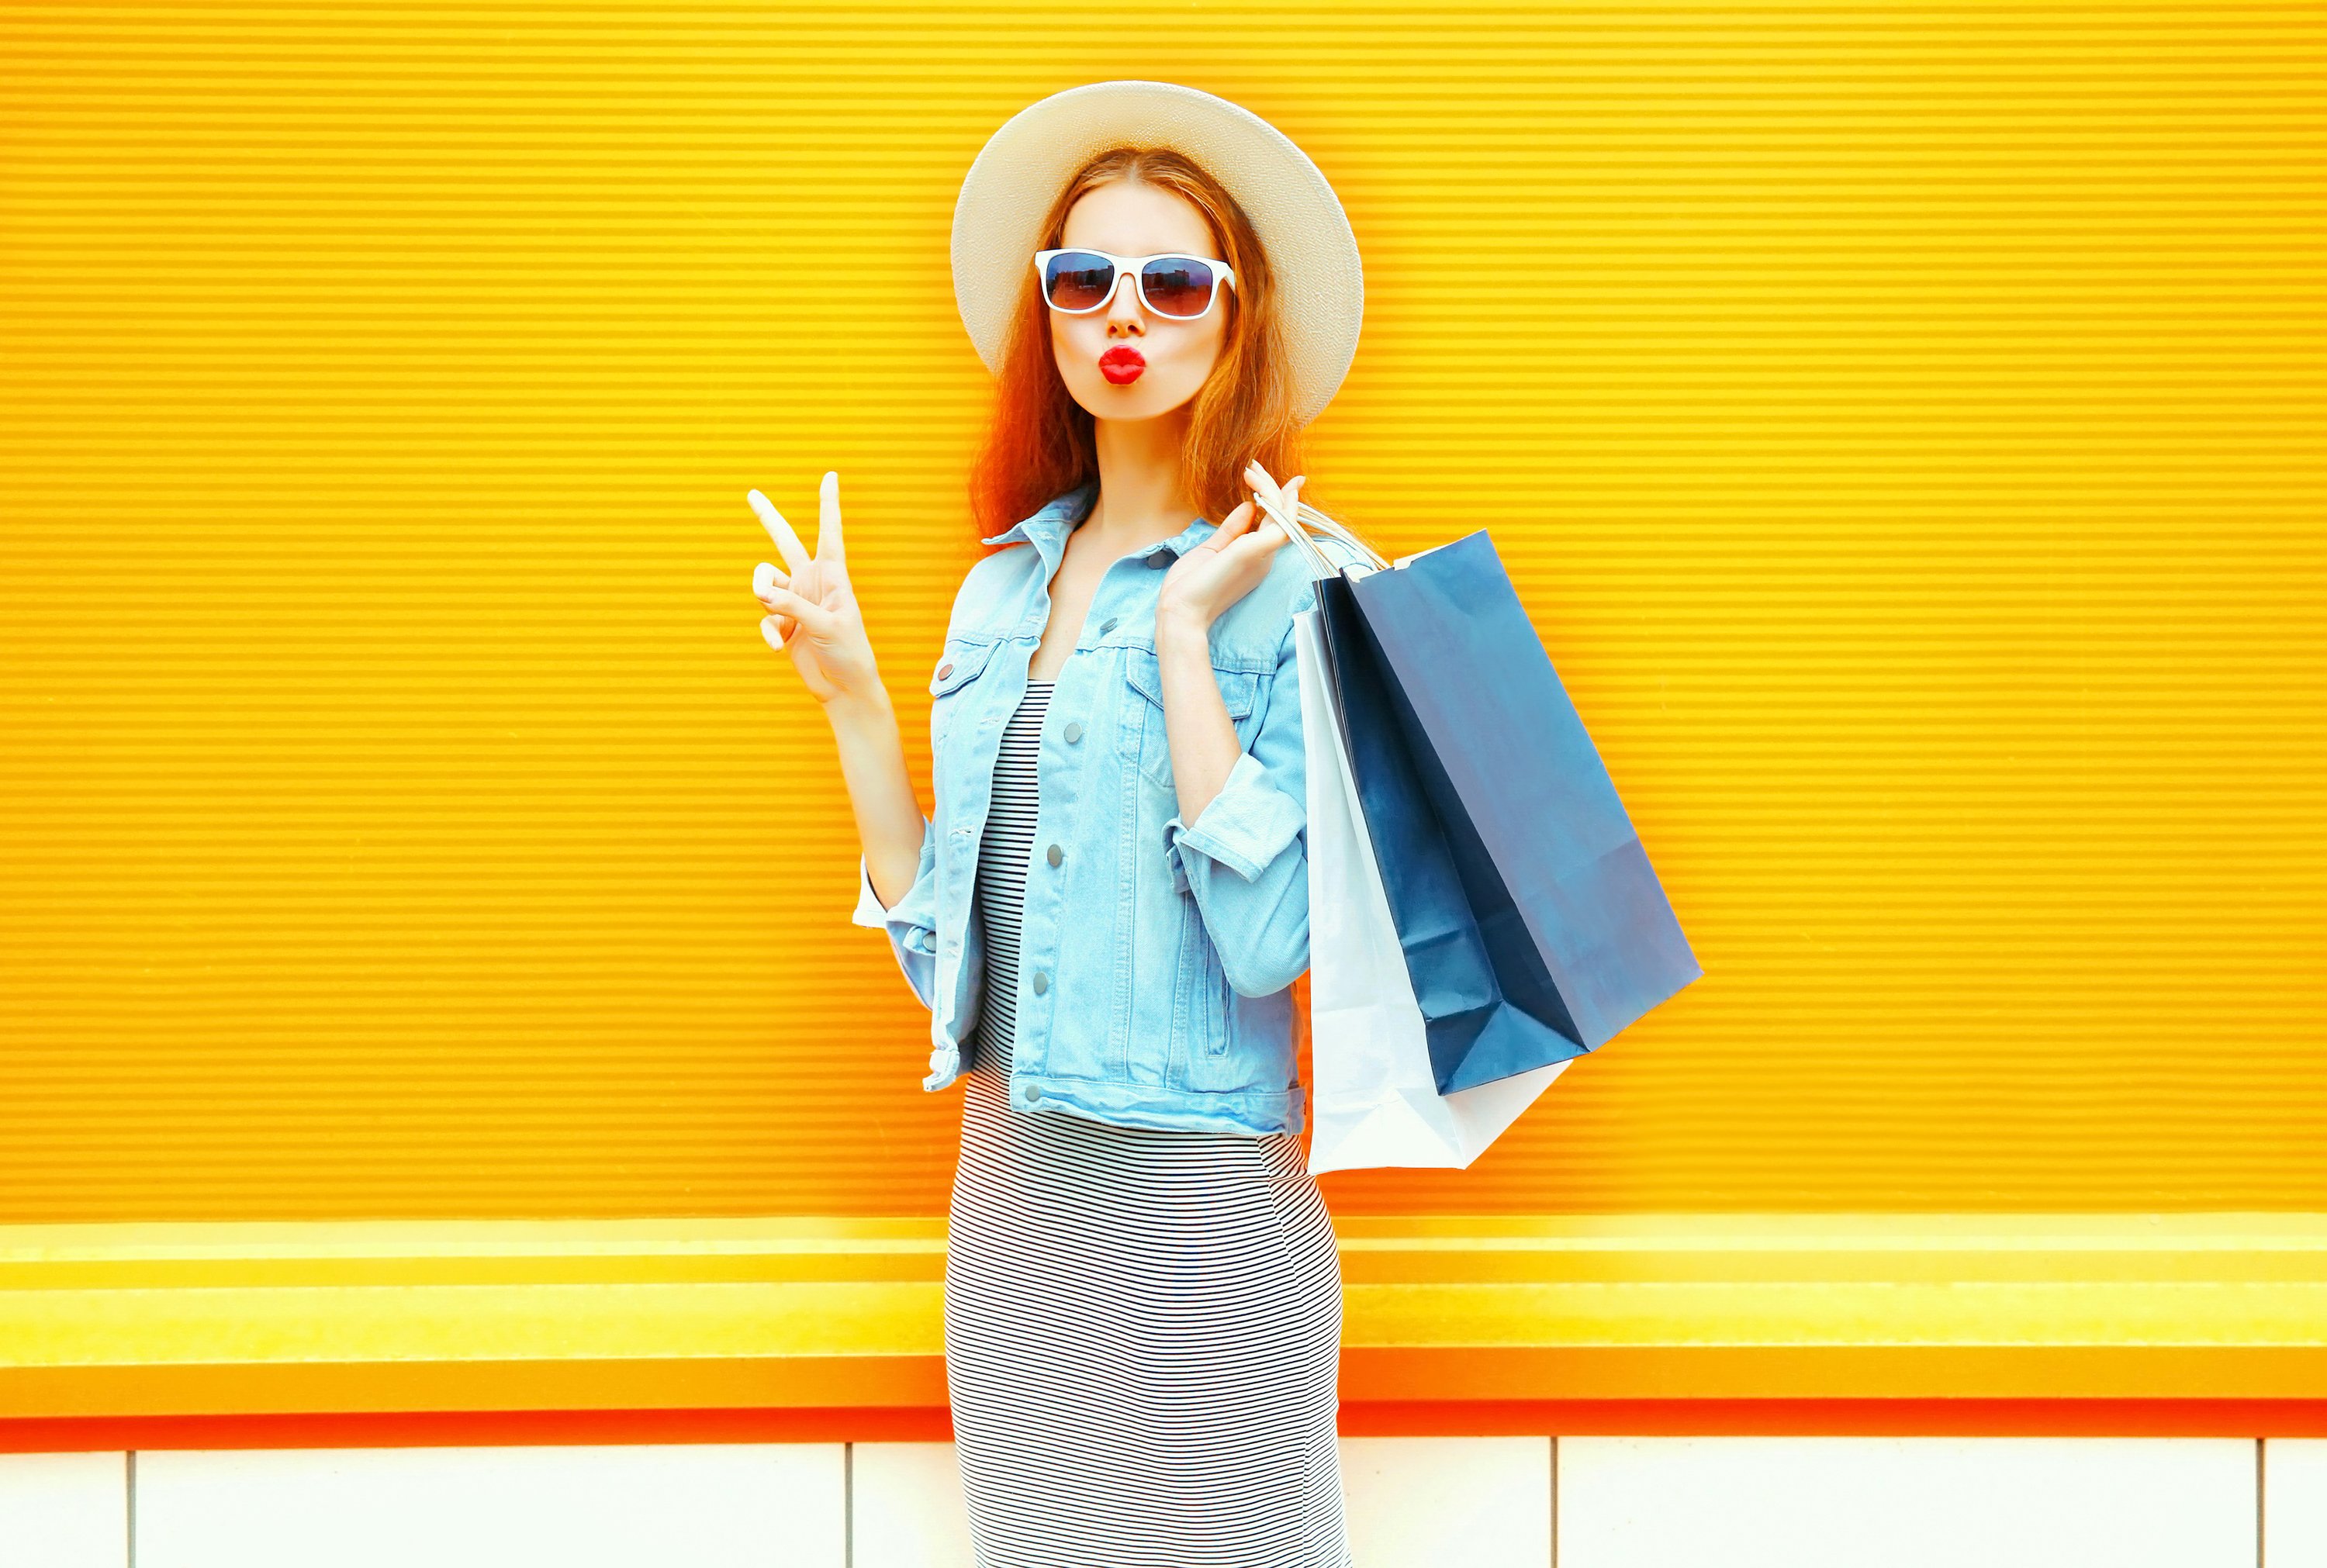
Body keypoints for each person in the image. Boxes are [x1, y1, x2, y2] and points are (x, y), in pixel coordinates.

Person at [748, 81, 1364, 1568]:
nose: (1121, 313)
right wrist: (853, 700)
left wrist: (1180, 638)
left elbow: (1270, 940)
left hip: (1204, 1214)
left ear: (1236, 315)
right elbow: (947, 971)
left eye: (1172, 278)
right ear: (1048, 315)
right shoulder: (1001, 589)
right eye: (1084, 278)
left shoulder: (1303, 584)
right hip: (1013, 1218)